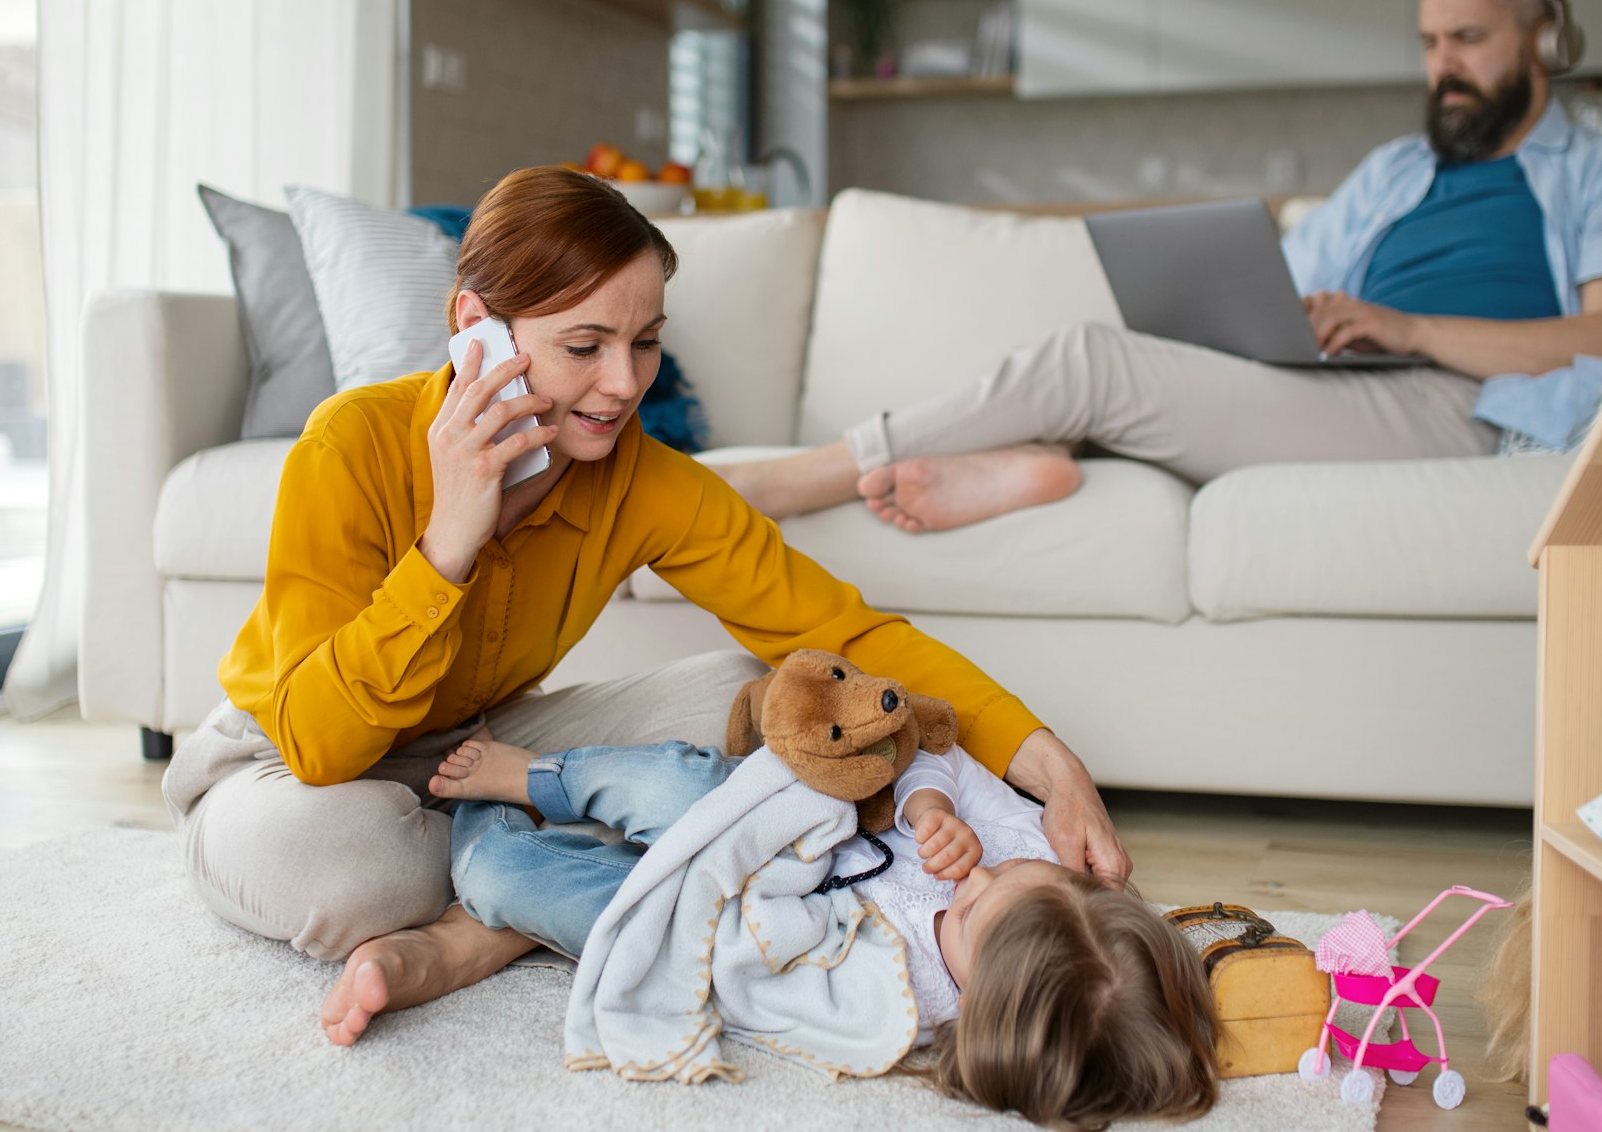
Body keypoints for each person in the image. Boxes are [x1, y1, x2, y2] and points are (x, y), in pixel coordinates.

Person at [158, 166, 1128, 1048]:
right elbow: (324, 742)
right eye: (584, 345)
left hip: (476, 740)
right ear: (474, 328)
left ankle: (493, 913)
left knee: (771, 706)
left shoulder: (642, 479)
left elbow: (844, 639)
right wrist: (448, 541)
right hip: (283, 757)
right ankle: (526, 895)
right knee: (354, 873)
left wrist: (1046, 759)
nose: (622, 385)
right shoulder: (348, 446)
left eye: (643, 343)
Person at [718, 0, 1602, 533]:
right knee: (1143, 353)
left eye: (1468, 40)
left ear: (1543, 44)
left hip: (1463, 401)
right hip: (1349, 384)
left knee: (1091, 359)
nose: (1443, 68)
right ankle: (1033, 461)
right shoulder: (1397, 169)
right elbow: (1287, 288)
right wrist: (1274, 318)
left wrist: (1412, 327)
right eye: (1430, 43)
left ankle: (799, 479)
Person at [429, 731, 1221, 1127]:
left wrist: (757, 912)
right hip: (780, 819)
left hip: (738, 914)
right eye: (1013, 876)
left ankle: (484, 837)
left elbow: (756, 985)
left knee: (528, 884)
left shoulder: (900, 1001)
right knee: (681, 780)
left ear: (978, 1006)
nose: (971, 875)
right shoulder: (1032, 844)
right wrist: (930, 808)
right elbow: (937, 755)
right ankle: (543, 778)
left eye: (974, 913)